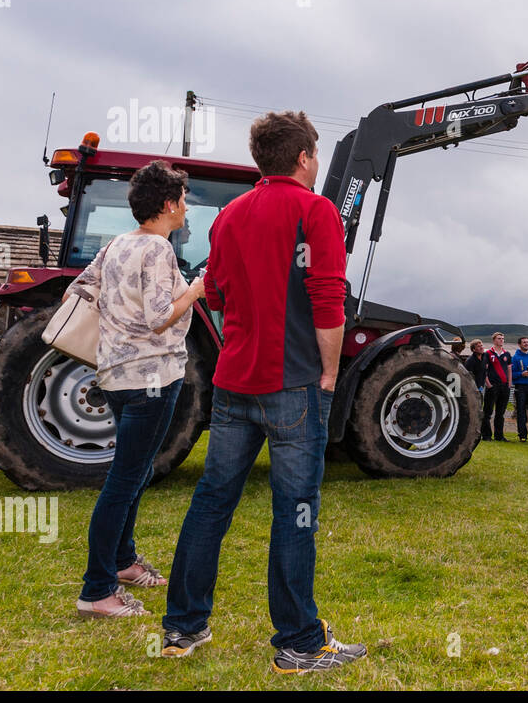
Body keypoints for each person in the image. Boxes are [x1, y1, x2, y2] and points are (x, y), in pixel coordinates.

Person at [163, 111, 365, 672]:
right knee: (295, 510)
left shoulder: (228, 217)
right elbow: (329, 298)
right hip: (293, 383)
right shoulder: (316, 210)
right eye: (314, 155)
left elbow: (219, 295)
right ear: (303, 159)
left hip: (234, 384)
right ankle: (299, 641)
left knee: (212, 501)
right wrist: (329, 374)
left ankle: (182, 628)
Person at [69, 160, 205, 619]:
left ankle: (123, 562)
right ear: (168, 205)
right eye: (183, 199)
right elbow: (160, 316)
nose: (186, 207)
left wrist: (115, 323)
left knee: (137, 470)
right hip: (151, 378)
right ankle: (97, 591)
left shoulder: (114, 246)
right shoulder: (159, 251)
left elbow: (78, 289)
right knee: (123, 481)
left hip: (113, 378)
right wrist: (199, 289)